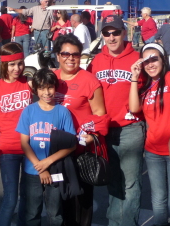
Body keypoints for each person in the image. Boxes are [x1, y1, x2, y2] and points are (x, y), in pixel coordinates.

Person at [87, 16, 144, 226]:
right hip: (104, 130)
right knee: (113, 182)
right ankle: (115, 222)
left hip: (130, 129)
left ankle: (127, 223)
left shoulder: (138, 58)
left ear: (124, 33)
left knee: (130, 183)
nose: (111, 37)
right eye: (107, 33)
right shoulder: (96, 61)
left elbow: (153, 88)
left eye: (116, 32)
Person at [129, 43, 170, 226]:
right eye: (145, 61)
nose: (150, 64)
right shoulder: (146, 86)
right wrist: (134, 77)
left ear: (163, 59)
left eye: (154, 59)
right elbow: (134, 108)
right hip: (153, 151)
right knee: (158, 203)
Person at [53, 34, 107, 226]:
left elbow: (100, 113)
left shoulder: (89, 80)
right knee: (59, 200)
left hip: (80, 150)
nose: (70, 58)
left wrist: (92, 136)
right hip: (55, 151)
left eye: (75, 54)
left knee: (81, 200)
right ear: (58, 55)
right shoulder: (51, 77)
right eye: (65, 53)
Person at [16, 68, 76, 226]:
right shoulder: (28, 111)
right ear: (36, 89)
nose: (47, 92)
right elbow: (24, 143)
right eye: (42, 88)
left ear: (55, 87)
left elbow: (71, 145)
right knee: (31, 214)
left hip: (55, 169)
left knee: (55, 214)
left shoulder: (62, 112)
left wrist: (47, 163)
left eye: (50, 87)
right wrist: (40, 167)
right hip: (32, 171)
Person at [0, 43, 32, 226]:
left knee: (29, 197)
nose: (17, 68)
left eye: (20, 63)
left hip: (31, 148)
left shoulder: (29, 82)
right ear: (4, 65)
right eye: (12, 64)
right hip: (7, 149)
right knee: (11, 198)